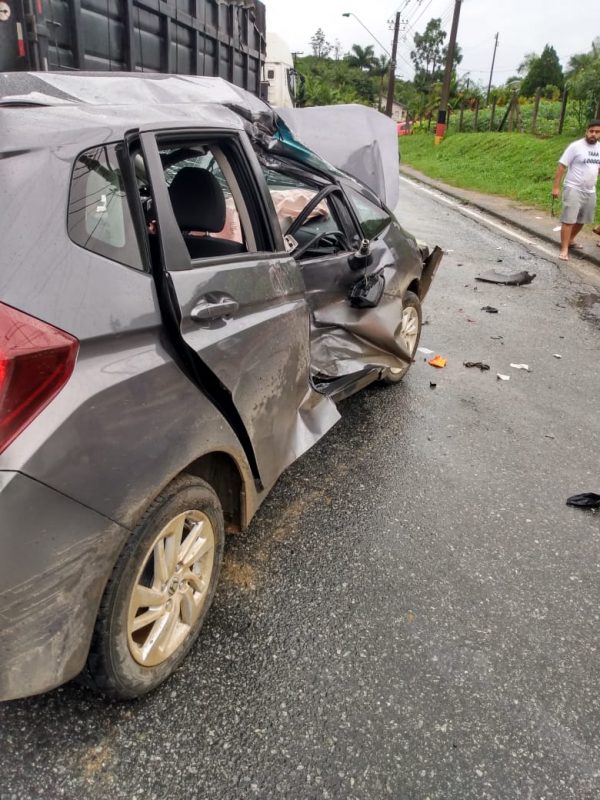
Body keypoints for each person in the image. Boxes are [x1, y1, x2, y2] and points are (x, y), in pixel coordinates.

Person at [552, 120, 600, 260]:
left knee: (582, 219)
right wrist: (556, 187)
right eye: (591, 131)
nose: (593, 134)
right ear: (586, 131)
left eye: (597, 132)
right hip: (573, 188)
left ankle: (571, 240)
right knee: (569, 220)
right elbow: (561, 166)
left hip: (590, 190)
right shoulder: (576, 147)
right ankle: (564, 248)